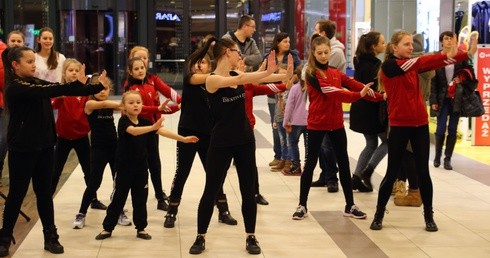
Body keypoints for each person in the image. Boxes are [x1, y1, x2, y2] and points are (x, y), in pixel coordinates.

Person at [188, 38, 292, 255]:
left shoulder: (238, 76)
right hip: (221, 143)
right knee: (211, 190)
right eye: (237, 52)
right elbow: (250, 77)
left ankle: (251, 236)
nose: (240, 56)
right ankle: (200, 236)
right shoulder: (213, 80)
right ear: (227, 52)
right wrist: (266, 71)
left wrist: (284, 74)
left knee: (248, 191)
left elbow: (259, 79)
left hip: (245, 141)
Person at [0, 46, 105, 256]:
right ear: (15, 65)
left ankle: (50, 235)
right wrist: (75, 85)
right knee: (17, 194)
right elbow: (54, 90)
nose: (34, 65)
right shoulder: (15, 87)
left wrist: (92, 86)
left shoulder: (35, 82)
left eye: (34, 61)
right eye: (29, 62)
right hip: (23, 147)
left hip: (46, 145)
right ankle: (4, 238)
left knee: (44, 193)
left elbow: (61, 88)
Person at [370, 30, 476, 232]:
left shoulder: (410, 65)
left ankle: (429, 215)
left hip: (419, 124)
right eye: (406, 44)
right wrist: (450, 54)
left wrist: (464, 53)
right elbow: (421, 62)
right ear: (394, 48)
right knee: (392, 172)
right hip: (400, 126)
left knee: (423, 172)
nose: (411, 48)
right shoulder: (390, 66)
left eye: (411, 44)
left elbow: (434, 63)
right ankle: (378, 214)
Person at [292, 35, 383, 221]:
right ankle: (302, 205)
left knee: (343, 163)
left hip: (336, 125)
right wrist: (358, 95)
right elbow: (332, 92)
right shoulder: (310, 72)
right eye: (320, 53)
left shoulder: (335, 72)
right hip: (317, 125)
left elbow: (356, 85)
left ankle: (350, 205)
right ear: (313, 53)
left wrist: (380, 96)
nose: (324, 56)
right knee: (310, 164)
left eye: (326, 52)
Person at [95, 91, 198, 241]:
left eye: (138, 102)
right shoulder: (123, 122)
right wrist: (152, 128)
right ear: (123, 106)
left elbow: (161, 131)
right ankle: (107, 228)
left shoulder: (144, 121)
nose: (135, 105)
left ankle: (141, 228)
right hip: (124, 169)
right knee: (118, 198)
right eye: (131, 103)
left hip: (141, 169)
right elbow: (133, 132)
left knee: (140, 199)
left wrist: (183, 139)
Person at [164, 45, 237, 229]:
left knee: (214, 174)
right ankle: (171, 211)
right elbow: (206, 76)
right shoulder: (191, 79)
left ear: (209, 66)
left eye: (203, 63)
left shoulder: (214, 83)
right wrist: (209, 45)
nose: (198, 66)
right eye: (195, 63)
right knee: (182, 172)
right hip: (188, 132)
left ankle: (223, 210)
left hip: (209, 134)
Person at [73, 74, 133, 229]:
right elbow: (105, 103)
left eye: (105, 88)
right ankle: (81, 213)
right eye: (98, 88)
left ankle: (118, 211)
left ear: (110, 89)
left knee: (118, 182)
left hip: (114, 148)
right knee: (94, 183)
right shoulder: (90, 104)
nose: (102, 91)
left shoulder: (110, 105)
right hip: (98, 150)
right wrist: (122, 104)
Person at [126, 46, 182, 211]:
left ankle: (159, 196)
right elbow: (140, 109)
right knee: (134, 166)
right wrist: (157, 110)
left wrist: (180, 103)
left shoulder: (153, 80)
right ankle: (125, 196)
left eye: (144, 59)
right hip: (135, 132)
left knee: (155, 164)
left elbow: (168, 93)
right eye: (138, 59)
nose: (142, 62)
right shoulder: (129, 86)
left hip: (152, 130)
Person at [49, 59, 107, 210]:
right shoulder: (61, 91)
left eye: (76, 70)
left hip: (81, 138)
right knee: (56, 170)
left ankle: (93, 199)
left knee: (88, 170)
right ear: (64, 73)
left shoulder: (85, 92)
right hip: (63, 138)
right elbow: (54, 103)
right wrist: (61, 96)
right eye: (70, 70)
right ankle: (47, 198)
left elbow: (98, 99)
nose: (74, 73)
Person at [310, 19, 346, 192]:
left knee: (329, 146)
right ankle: (325, 175)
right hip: (321, 109)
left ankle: (332, 177)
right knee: (321, 148)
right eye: (320, 53)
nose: (323, 55)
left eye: (316, 30)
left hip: (332, 109)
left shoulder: (335, 52)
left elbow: (334, 83)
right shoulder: (316, 59)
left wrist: (361, 94)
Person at [349, 31, 388, 192]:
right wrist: (383, 95)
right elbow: (374, 89)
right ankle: (368, 170)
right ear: (374, 46)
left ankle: (356, 178)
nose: (384, 45)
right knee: (388, 142)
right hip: (371, 111)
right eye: (382, 42)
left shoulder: (362, 62)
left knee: (371, 143)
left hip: (360, 109)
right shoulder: (374, 66)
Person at [429, 31, 471, 170]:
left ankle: (448, 159)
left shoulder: (460, 57)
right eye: (446, 39)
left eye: (451, 39)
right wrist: (433, 100)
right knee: (440, 128)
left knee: (453, 129)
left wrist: (462, 79)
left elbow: (471, 75)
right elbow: (432, 82)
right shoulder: (437, 57)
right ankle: (437, 156)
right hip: (442, 99)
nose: (449, 41)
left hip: (456, 98)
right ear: (441, 42)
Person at [264, 32, 302, 173]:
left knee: (286, 127)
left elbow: (299, 71)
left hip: (287, 93)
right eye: (285, 41)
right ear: (278, 42)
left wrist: (288, 77)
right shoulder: (270, 56)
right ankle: (279, 156)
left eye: (289, 41)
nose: (288, 44)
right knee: (276, 126)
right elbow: (264, 73)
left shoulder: (293, 56)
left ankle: (288, 159)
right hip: (273, 94)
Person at [0, 31, 26, 185]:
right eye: (13, 40)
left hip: (20, 106)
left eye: (18, 41)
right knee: (3, 139)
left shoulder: (27, 58)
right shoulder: (3, 58)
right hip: (4, 104)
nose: (15, 43)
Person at [283, 66, 307, 175]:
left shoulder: (295, 88)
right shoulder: (311, 88)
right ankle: (308, 166)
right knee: (309, 145)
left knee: (293, 143)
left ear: (298, 76)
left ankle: (296, 166)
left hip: (296, 122)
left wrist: (286, 121)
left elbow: (289, 107)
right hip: (310, 122)